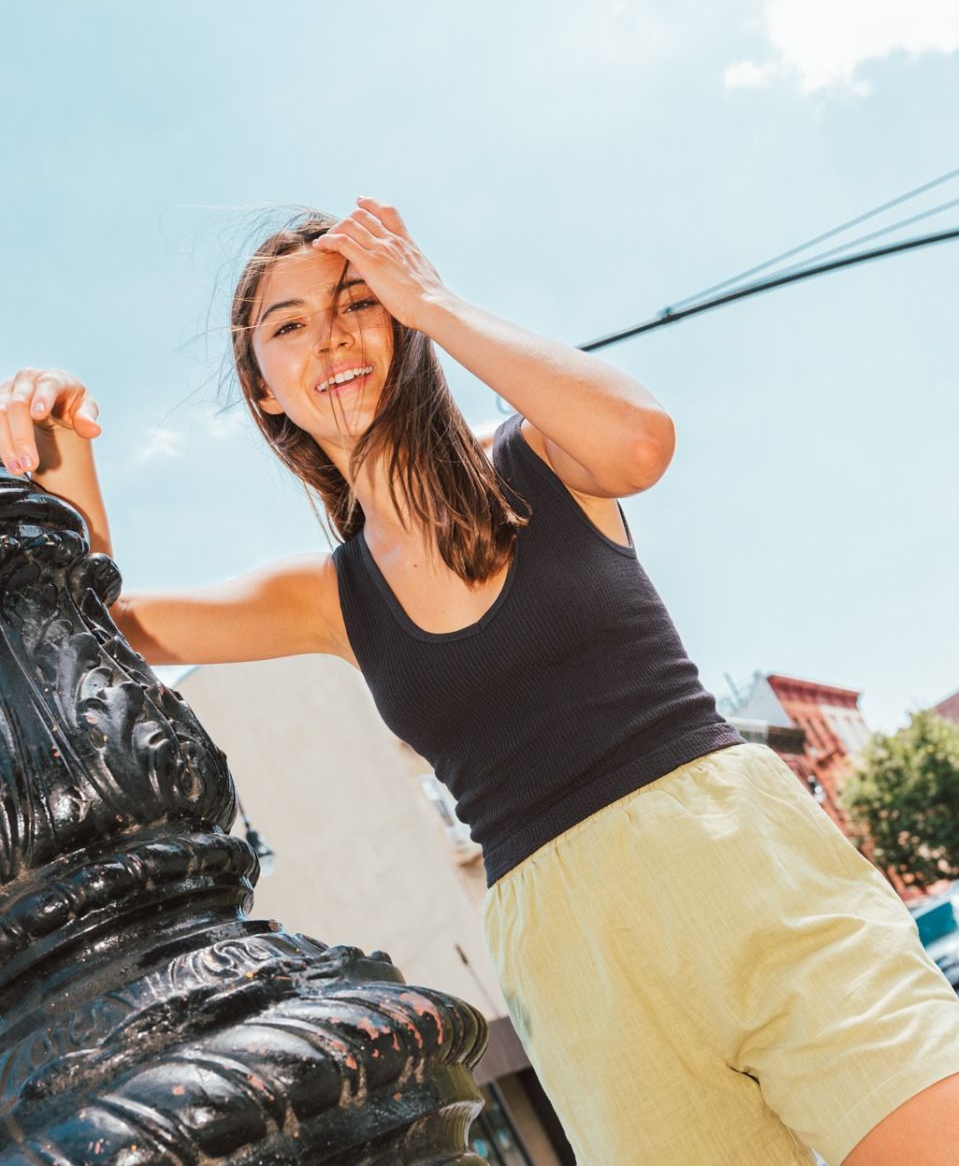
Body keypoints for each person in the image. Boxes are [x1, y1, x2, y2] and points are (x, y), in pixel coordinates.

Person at [2, 197, 959, 1166]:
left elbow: (640, 441)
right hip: (568, 947)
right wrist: (67, 465)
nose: (330, 336)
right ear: (263, 391)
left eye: (358, 303)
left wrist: (434, 301)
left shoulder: (537, 452)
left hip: (735, 861)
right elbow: (104, 634)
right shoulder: (328, 596)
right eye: (288, 326)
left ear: (403, 325)